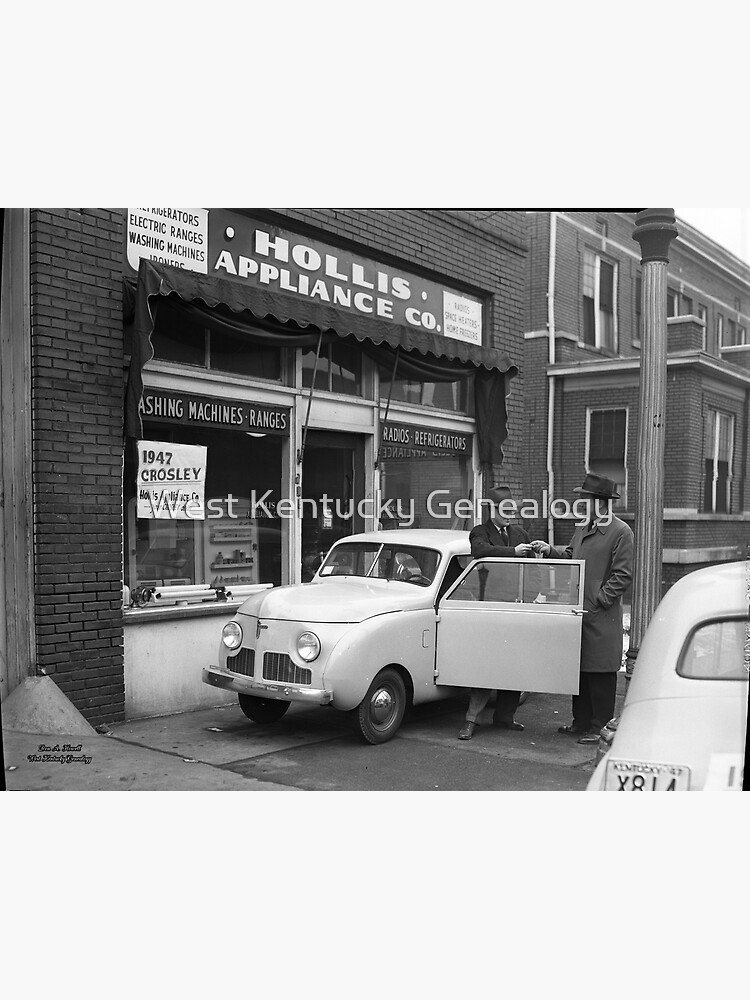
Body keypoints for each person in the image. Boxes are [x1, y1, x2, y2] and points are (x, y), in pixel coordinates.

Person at [531, 473, 633, 745]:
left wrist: (599, 600)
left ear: (599, 502)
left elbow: (622, 576)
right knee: (580, 671)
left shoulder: (621, 532)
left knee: (600, 672)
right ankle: (581, 723)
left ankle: (600, 727)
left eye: (585, 499)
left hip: (600, 615)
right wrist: (549, 550)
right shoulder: (583, 528)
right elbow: (569, 558)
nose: (581, 504)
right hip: (579, 612)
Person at [457, 485, 536, 741]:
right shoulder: (480, 532)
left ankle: (505, 716)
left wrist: (529, 596)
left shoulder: (521, 533)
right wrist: (513, 552)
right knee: (486, 665)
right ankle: (471, 720)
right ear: (493, 509)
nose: (510, 515)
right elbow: (479, 551)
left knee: (514, 663)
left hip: (516, 606)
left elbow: (535, 571)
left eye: (512, 510)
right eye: (505, 510)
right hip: (489, 608)